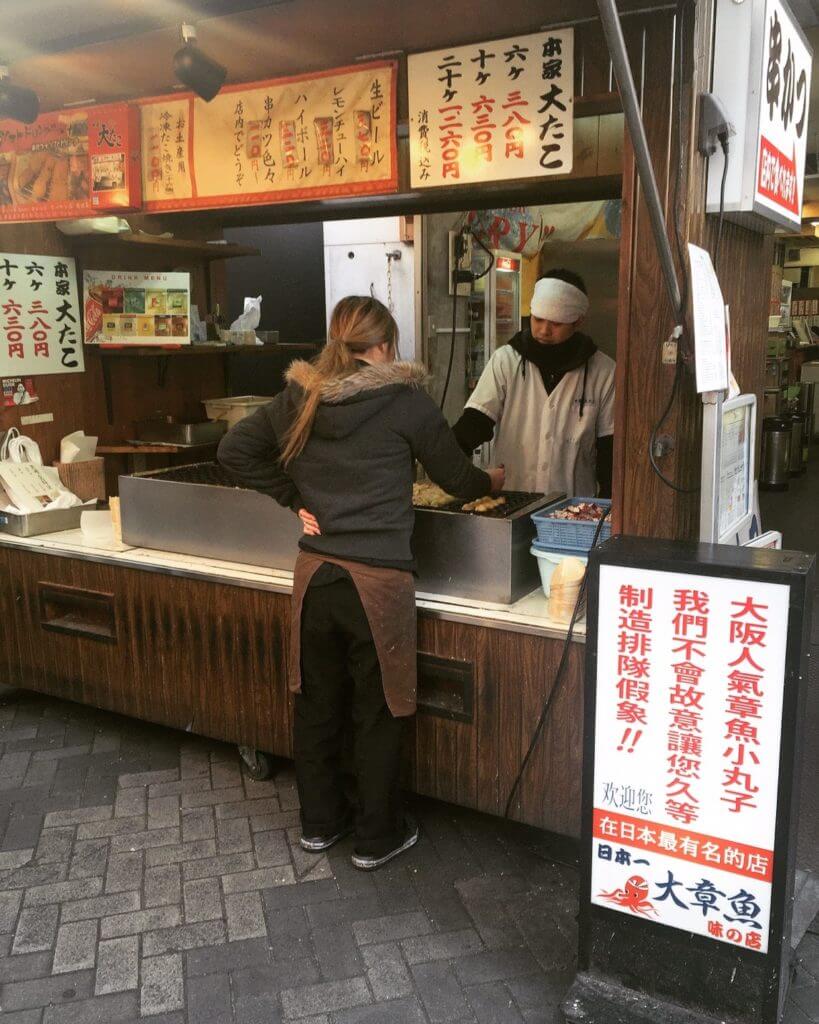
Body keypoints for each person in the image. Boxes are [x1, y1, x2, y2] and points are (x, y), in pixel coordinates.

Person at [217, 296, 503, 870]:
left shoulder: (300, 396)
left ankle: (320, 826)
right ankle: (377, 837)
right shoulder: (406, 402)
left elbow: (233, 451)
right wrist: (491, 477)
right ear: (387, 345)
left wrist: (294, 497)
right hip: (377, 585)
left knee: (316, 704)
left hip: (316, 578)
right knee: (378, 711)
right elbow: (457, 479)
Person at [453, 268, 615, 498]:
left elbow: (610, 449)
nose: (544, 331)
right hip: (510, 500)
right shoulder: (507, 360)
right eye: (538, 319)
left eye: (556, 324)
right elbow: (475, 423)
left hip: (572, 508)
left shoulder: (603, 372)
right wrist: (447, 465)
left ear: (578, 321)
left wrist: (606, 510)